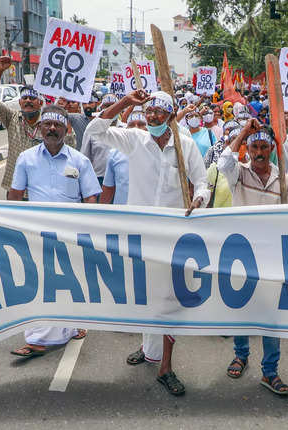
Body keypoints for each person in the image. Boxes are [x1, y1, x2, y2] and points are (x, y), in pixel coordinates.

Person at [86, 89, 209, 396]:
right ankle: (149, 348)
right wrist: (127, 102)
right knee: (144, 294)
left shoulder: (186, 146)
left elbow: (203, 181)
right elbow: (94, 131)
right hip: (140, 234)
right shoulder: (135, 140)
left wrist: (198, 198)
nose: (152, 117)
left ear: (170, 116)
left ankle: (165, 366)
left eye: (159, 112)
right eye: (149, 112)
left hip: (172, 235)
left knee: (168, 299)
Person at [8, 105, 101, 357]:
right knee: (39, 283)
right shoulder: (26, 159)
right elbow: (15, 194)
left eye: (57, 125)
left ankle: (70, 327)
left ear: (66, 129)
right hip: (36, 233)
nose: (51, 129)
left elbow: (92, 196)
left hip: (70, 234)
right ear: (39, 128)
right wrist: (13, 226)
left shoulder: (79, 160)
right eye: (47, 124)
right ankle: (37, 338)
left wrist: (86, 228)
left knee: (69, 281)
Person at [218, 119, 288, 396]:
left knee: (271, 316)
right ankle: (241, 354)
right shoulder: (238, 172)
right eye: (255, 147)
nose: (260, 152)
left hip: (272, 257)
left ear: (272, 149)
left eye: (264, 147)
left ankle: (270, 371)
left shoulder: (284, 178)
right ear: (248, 150)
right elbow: (223, 160)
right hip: (242, 255)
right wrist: (243, 133)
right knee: (242, 309)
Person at [0, 56, 76, 195]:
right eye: (25, 98)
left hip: (42, 189)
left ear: (40, 102)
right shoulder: (12, 118)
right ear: (20, 102)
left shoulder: (51, 123)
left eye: (32, 98)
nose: (28, 101)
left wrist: (63, 115)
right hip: (15, 188)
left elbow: (70, 144)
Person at [100, 111, 143, 205]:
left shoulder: (159, 151)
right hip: (122, 214)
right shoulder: (114, 153)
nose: (136, 128)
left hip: (149, 213)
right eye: (131, 125)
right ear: (126, 128)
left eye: (141, 124)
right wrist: (100, 214)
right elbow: (108, 187)